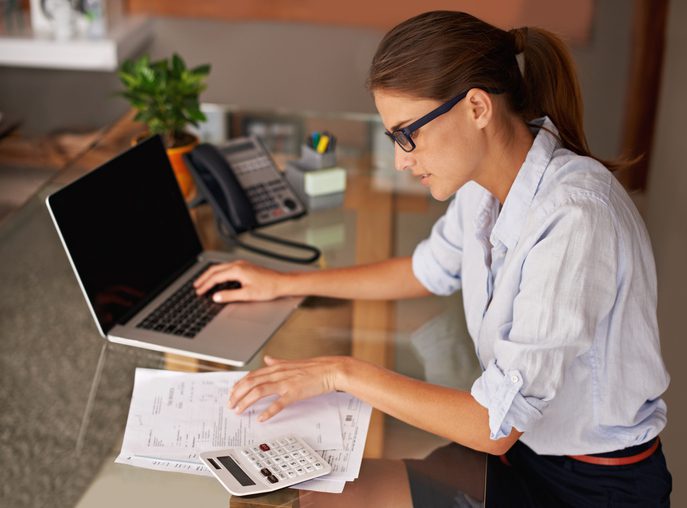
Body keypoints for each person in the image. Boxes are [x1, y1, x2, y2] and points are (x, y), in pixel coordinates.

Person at [194, 10, 672, 507]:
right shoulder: (484, 188)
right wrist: (284, 282)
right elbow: (425, 270)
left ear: (477, 108)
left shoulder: (575, 218)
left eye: (408, 134)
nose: (402, 159)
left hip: (590, 486)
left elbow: (493, 426)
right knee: (304, 495)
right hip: (517, 455)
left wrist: (341, 372)